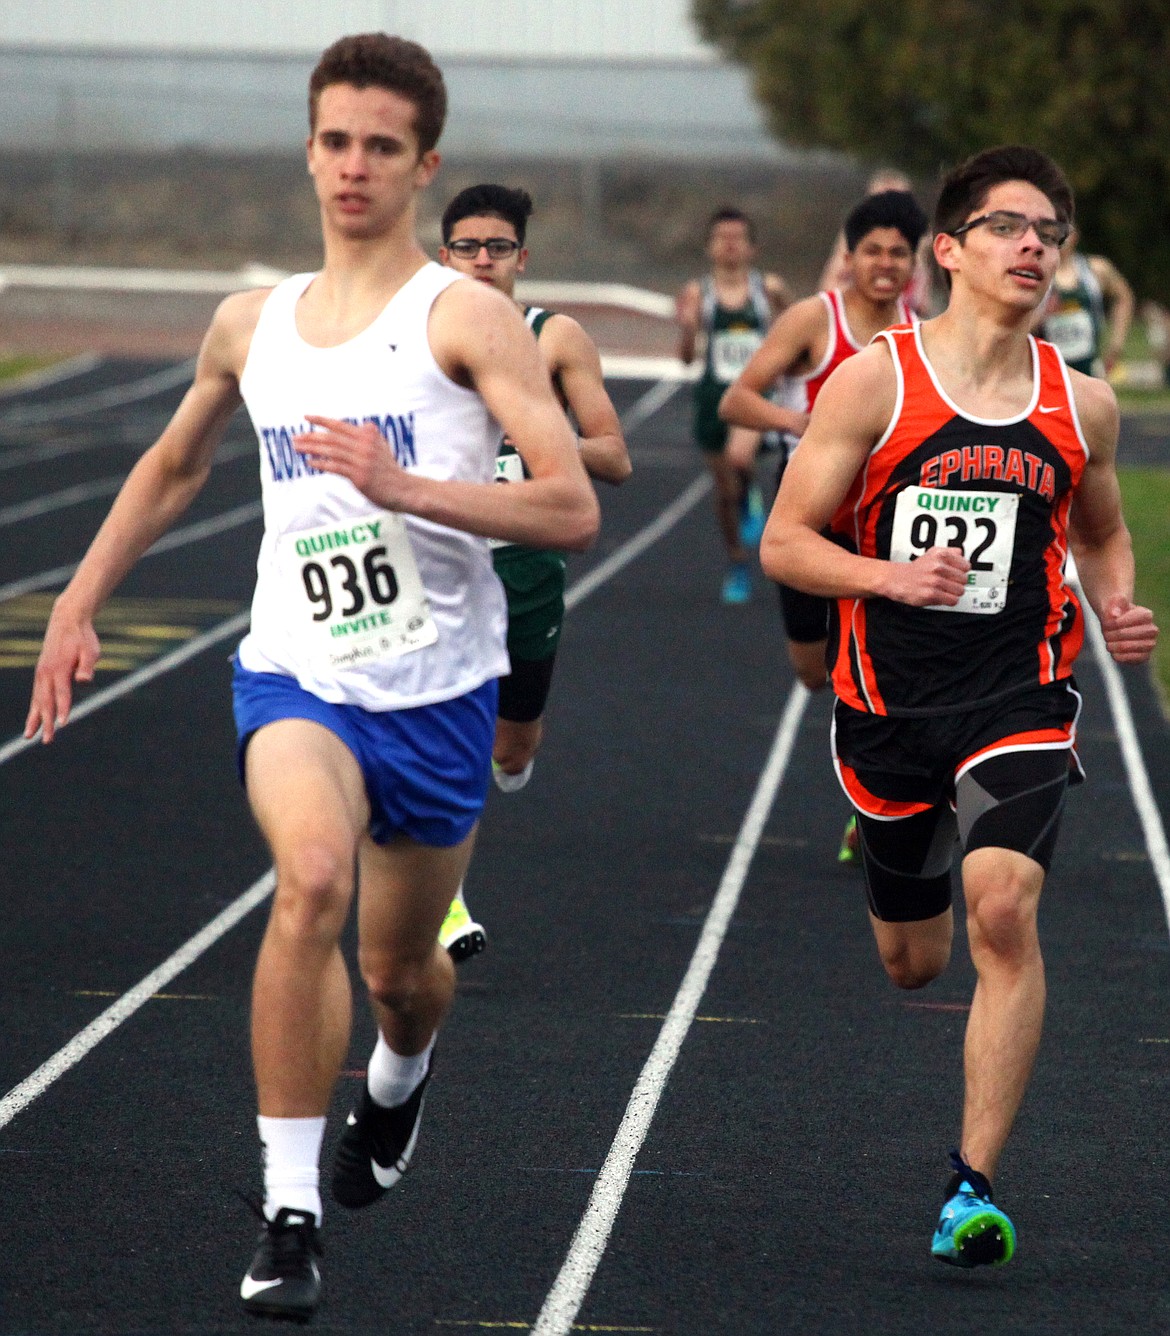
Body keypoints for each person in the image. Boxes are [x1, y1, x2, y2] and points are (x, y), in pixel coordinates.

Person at [24, 32, 599, 1321]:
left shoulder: (467, 319)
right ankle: (291, 1211)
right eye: (335, 140)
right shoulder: (253, 323)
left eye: (381, 146)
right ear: (309, 151)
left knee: (403, 972)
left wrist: (405, 485)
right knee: (311, 880)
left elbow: (569, 506)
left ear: (422, 163)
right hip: (296, 673)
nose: (353, 165)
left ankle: (401, 1075)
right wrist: (79, 595)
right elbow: (175, 464)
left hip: (441, 690)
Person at [762, 145, 1157, 1268]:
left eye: (1051, 231)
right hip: (887, 703)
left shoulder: (1080, 403)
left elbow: (1102, 531)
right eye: (1008, 226)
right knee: (914, 960)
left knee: (1004, 910)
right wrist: (889, 576)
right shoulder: (876, 382)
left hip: (1018, 693)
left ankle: (971, 1184)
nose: (1034, 245)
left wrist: (1118, 604)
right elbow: (786, 538)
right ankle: (904, 852)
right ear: (950, 248)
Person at [434, 181, 631, 962]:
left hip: (528, 574)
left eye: (498, 247)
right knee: (445, 738)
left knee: (510, 750)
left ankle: (509, 755)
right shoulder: (415, 335)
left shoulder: (554, 338)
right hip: (443, 564)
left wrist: (537, 438)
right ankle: (444, 904)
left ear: (522, 256)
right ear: (442, 254)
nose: (482, 261)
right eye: (466, 247)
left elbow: (612, 456)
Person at [721, 189, 928, 866]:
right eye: (874, 250)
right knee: (814, 670)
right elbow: (738, 396)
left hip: (884, 516)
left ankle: (870, 806)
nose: (886, 263)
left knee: (873, 666)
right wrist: (798, 424)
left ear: (914, 262)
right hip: (807, 510)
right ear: (850, 256)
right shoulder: (816, 320)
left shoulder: (922, 332)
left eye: (900, 252)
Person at [676, 207, 790, 604]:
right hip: (713, 399)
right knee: (723, 491)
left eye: (737, 237)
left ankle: (750, 497)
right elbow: (687, 359)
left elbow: (794, 335)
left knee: (740, 459)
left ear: (752, 247)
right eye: (721, 237)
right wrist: (689, 329)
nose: (729, 244)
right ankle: (738, 560)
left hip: (755, 396)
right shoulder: (697, 293)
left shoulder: (768, 290)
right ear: (709, 247)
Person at [1039, 226, 1135, 377]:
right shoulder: (1037, 272)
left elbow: (1124, 296)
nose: (1061, 239)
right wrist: (1041, 316)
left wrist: (1116, 343)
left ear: (1075, 236)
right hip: (1047, 369)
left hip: (1089, 367)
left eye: (1065, 234)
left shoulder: (1095, 270)